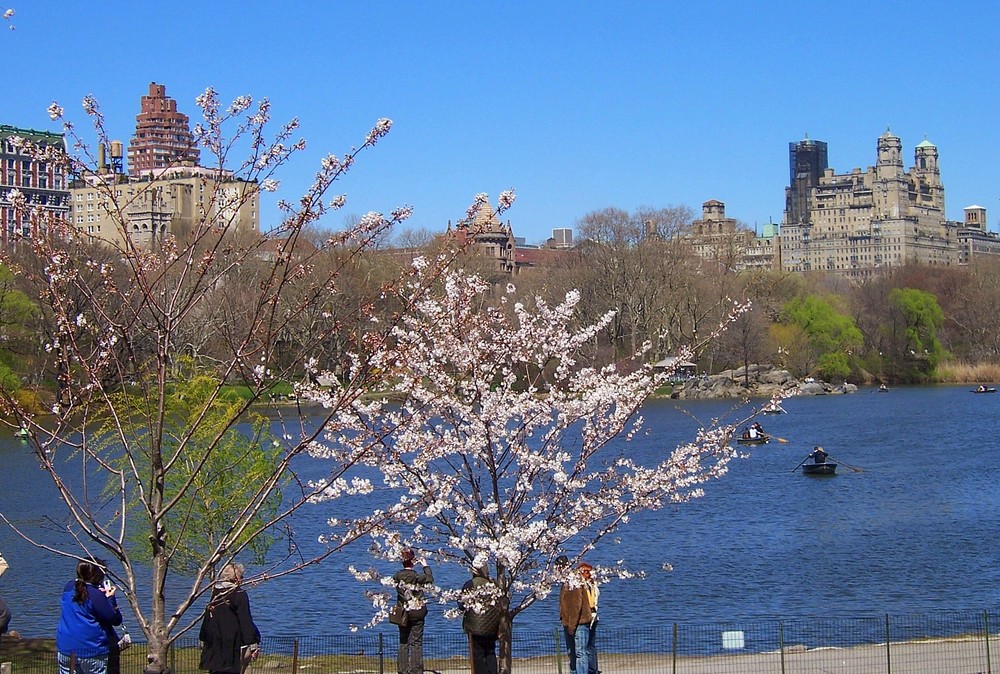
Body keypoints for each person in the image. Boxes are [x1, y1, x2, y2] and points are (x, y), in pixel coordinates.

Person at [56, 560, 123, 674]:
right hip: (91, 650)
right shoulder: (96, 595)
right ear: (98, 576)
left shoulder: (69, 586)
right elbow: (114, 619)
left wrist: (99, 593)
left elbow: (84, 596)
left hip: (65, 648)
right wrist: (110, 598)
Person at [199, 563, 261, 674]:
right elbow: (245, 620)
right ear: (236, 578)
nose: (243, 579)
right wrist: (252, 643)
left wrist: (203, 637)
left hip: (214, 641)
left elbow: (208, 616)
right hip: (232, 644)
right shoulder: (239, 594)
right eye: (241, 576)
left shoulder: (216, 592)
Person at [393, 549, 433, 674]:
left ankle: (402, 670)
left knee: (403, 641)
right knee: (416, 642)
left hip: (403, 612)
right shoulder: (417, 577)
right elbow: (430, 579)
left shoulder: (396, 577)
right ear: (413, 561)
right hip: (417, 611)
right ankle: (416, 669)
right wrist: (425, 565)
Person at [460, 565, 501, 674]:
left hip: (475, 626)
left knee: (477, 655)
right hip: (492, 625)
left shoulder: (470, 584)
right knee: (490, 652)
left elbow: (462, 604)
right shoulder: (494, 584)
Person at [558, 559, 593, 674]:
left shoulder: (574, 582)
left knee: (580, 652)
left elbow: (576, 606)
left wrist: (572, 626)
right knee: (571, 652)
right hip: (569, 623)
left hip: (579, 624)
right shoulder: (567, 581)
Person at [578, 563, 600, 674]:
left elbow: (592, 601)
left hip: (591, 617)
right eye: (584, 571)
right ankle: (592, 669)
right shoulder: (585, 585)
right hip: (590, 616)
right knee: (588, 646)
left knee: (588, 646)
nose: (586, 574)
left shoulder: (590, 586)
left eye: (588, 572)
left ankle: (592, 669)